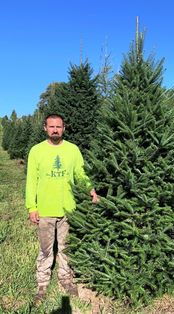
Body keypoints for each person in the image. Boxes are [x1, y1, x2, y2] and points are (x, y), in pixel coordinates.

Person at [25, 113, 98, 305]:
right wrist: (32, 207)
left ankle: (65, 279)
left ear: (64, 128)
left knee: (66, 247)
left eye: (58, 127)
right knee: (46, 250)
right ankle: (42, 283)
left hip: (68, 209)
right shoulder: (36, 151)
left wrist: (90, 189)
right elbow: (31, 181)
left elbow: (80, 174)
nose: (55, 130)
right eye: (51, 127)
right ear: (45, 128)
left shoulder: (73, 150)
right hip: (45, 210)